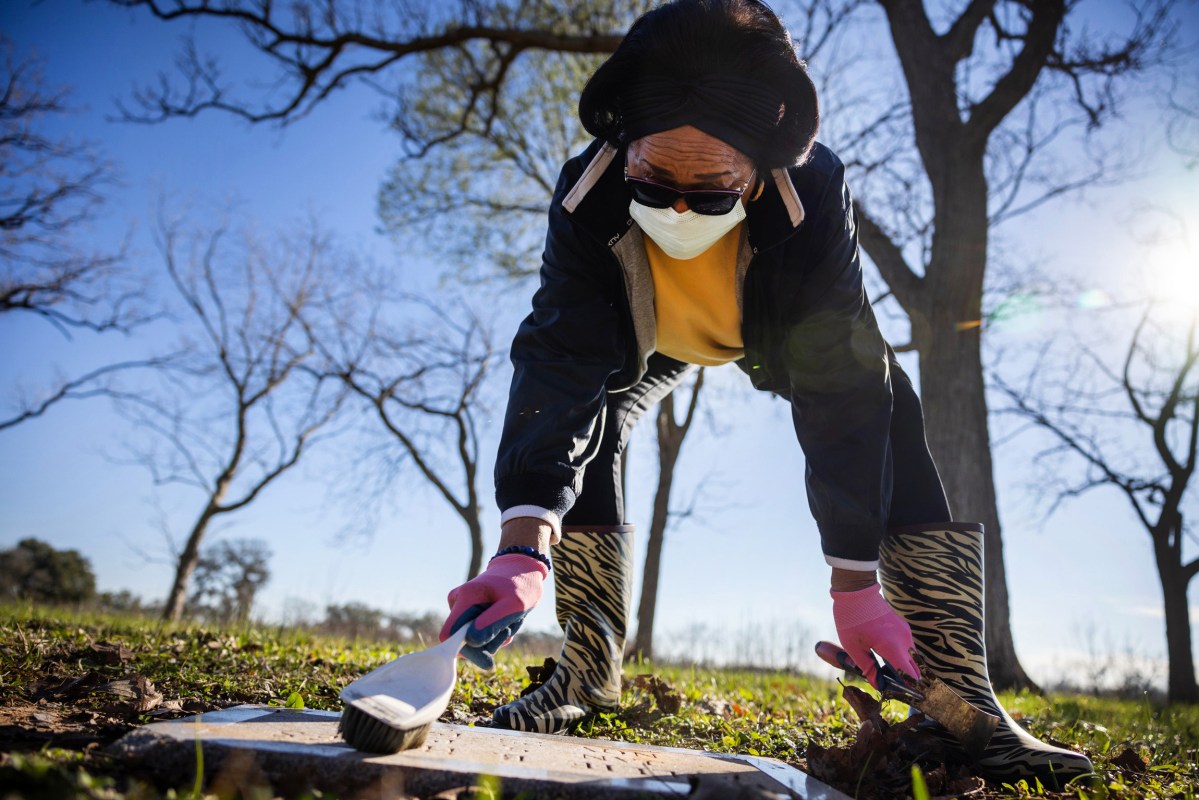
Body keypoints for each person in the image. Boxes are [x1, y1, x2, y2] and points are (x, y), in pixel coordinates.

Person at [437, 0, 1091, 787]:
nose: (678, 208)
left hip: (772, 331)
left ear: (759, 166)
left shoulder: (812, 193)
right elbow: (558, 356)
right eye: (653, 177)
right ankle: (584, 673)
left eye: (711, 187)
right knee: (595, 413)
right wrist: (522, 544)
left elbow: (839, 390)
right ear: (624, 145)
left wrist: (854, 586)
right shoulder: (585, 192)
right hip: (643, 340)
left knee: (889, 397)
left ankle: (958, 703)